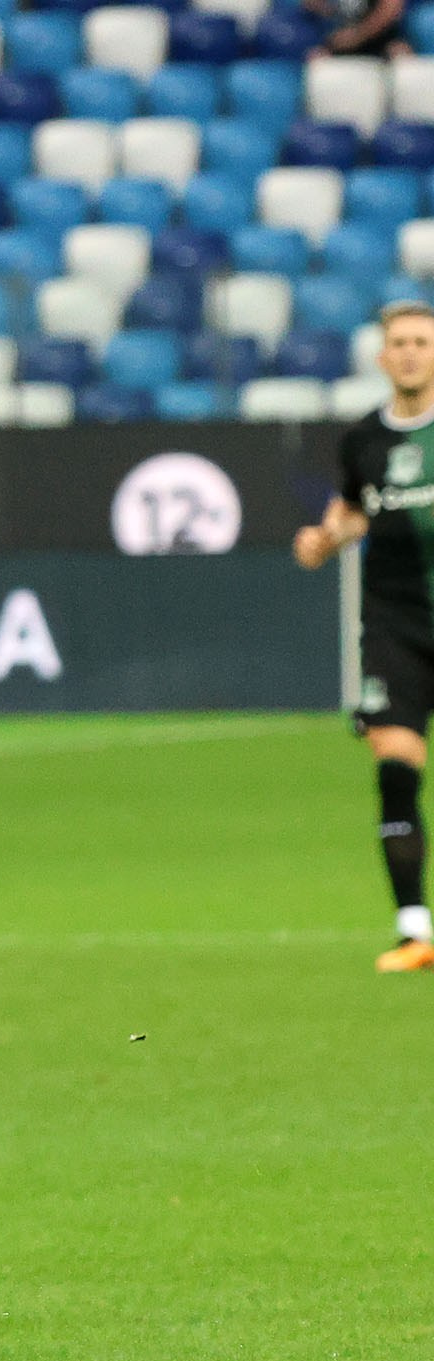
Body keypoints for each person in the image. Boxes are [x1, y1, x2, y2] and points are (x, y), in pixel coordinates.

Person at [295, 301, 434, 972]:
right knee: (396, 761)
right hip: (395, 625)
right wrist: (326, 539)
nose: (409, 352)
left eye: (421, 342)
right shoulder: (363, 442)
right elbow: (353, 510)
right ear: (382, 357)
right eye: (398, 343)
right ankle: (414, 929)